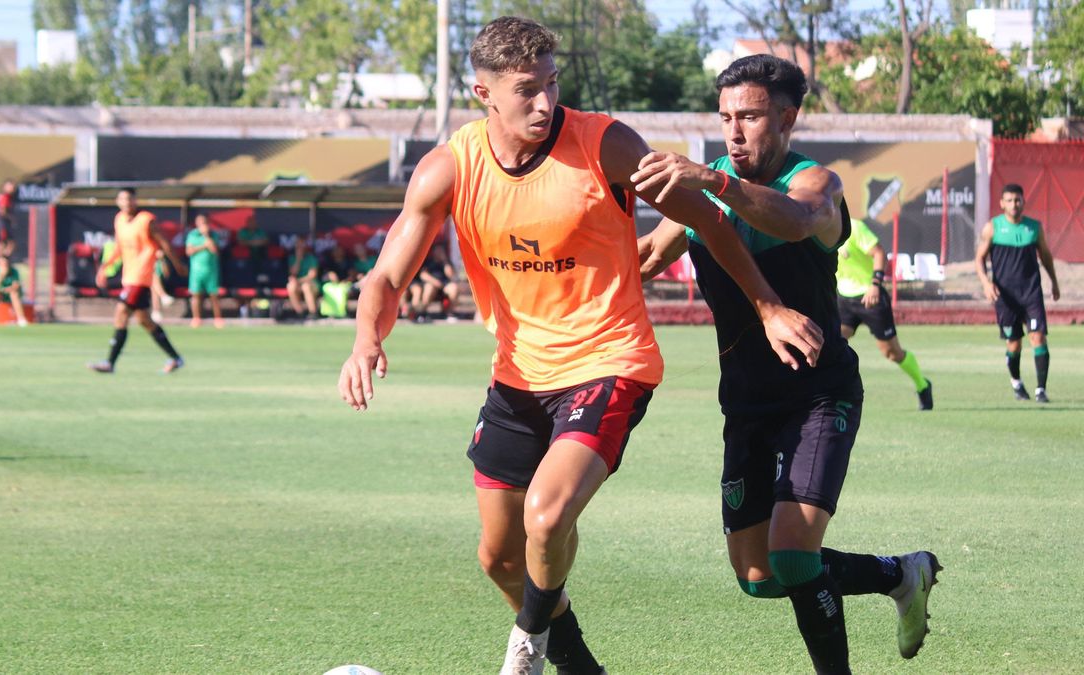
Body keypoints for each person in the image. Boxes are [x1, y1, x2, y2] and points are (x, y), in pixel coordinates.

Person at [339, 18, 824, 675]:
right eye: (525, 91)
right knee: (500, 557)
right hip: (517, 375)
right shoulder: (449, 168)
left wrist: (767, 305)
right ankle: (580, 666)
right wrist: (367, 337)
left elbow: (706, 216)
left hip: (610, 360)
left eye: (551, 84)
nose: (544, 103)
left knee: (547, 515)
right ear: (484, 93)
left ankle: (526, 646)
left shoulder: (606, 143)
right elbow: (388, 276)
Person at [635, 54, 940, 673]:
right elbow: (641, 258)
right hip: (746, 401)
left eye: (749, 116)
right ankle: (900, 575)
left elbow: (799, 221)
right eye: (725, 117)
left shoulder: (816, 185)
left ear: (787, 117)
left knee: (796, 557)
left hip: (818, 394)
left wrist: (715, 184)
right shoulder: (707, 185)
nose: (734, 131)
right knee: (758, 575)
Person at [974, 183, 1060, 403]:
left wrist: (1054, 282)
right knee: (1014, 343)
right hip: (1005, 297)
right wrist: (985, 283)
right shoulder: (993, 227)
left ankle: (1041, 390)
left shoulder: (1034, 228)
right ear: (1002, 203)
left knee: (1038, 337)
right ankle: (1017, 383)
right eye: (1010, 200)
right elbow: (979, 259)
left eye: (1018, 200)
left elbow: (1046, 256)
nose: (1014, 204)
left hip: (1031, 293)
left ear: (1023, 202)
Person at [836, 217, 932, 410]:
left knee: (892, 353)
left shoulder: (854, 226)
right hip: (843, 299)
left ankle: (923, 385)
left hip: (870, 297)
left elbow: (880, 253)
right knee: (832, 345)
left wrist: (875, 285)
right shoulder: (818, 226)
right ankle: (833, 396)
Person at [88, 188, 187, 374]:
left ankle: (110, 362)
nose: (126, 202)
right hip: (129, 275)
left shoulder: (146, 220)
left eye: (129, 199)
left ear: (135, 200)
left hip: (141, 275)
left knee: (121, 311)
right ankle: (176, 358)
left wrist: (177, 264)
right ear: (118, 201)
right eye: (122, 199)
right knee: (144, 320)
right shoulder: (119, 220)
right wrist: (105, 267)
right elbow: (119, 247)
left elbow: (163, 243)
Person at [185, 213, 224, 328]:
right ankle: (196, 318)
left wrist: (207, 236)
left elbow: (215, 251)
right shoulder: (192, 235)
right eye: (200, 222)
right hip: (196, 271)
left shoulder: (213, 235)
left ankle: (218, 319)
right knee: (196, 295)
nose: (202, 225)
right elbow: (189, 252)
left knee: (214, 296)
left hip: (211, 270)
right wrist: (203, 245)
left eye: (204, 222)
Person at [411, 243, 461, 321]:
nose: (439, 252)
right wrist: (436, 282)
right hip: (432, 284)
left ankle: (448, 313)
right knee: (429, 287)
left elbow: (451, 275)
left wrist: (445, 261)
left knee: (454, 288)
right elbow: (423, 275)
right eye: (437, 250)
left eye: (441, 250)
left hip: (444, 285)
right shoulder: (429, 261)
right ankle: (422, 313)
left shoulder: (446, 262)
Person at [0, 254, 28, 327]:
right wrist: (2, 274)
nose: (4, 265)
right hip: (0, 294)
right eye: (2, 263)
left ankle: (21, 319)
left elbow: (16, 285)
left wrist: (8, 289)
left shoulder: (14, 271)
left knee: (14, 293)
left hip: (11, 293)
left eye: (6, 263)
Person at [287, 237, 320, 319]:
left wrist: (299, 281)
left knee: (306, 286)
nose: (300, 248)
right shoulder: (292, 258)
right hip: (298, 284)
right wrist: (298, 259)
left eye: (302, 245)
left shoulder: (310, 258)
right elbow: (293, 273)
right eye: (298, 245)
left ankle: (313, 312)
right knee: (290, 286)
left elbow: (312, 275)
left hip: (312, 284)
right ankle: (300, 312)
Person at [0, 179, 17, 257]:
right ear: (5, 187)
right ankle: (1, 263)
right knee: (6, 245)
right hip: (3, 225)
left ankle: (2, 263)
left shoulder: (7, 197)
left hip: (1, 225)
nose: (13, 188)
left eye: (13, 186)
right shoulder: (5, 196)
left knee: (4, 245)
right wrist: (12, 218)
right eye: (10, 186)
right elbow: (2, 211)